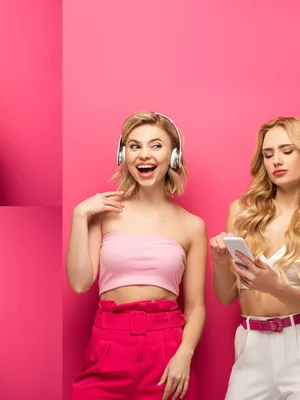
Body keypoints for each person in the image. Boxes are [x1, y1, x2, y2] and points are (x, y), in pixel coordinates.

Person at [67, 111, 207, 399]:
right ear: (123, 155)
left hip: (167, 351)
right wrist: (79, 216)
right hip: (108, 344)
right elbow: (80, 283)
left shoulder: (192, 225)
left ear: (174, 156)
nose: (145, 155)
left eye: (156, 145)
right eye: (135, 146)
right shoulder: (102, 213)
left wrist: (185, 354)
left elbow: (195, 308)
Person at [210, 117, 300, 399]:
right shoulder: (242, 212)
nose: (276, 161)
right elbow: (225, 298)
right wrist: (220, 262)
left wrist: (274, 286)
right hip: (251, 346)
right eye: (268, 154)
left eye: (287, 151)